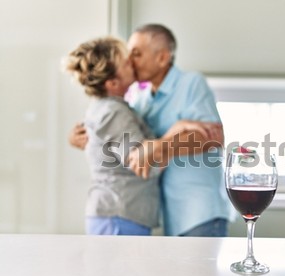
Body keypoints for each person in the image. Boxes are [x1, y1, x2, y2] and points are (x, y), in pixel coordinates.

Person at [70, 24, 233, 237]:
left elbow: (212, 137)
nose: (130, 61)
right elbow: (125, 142)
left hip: (197, 210)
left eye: (136, 54)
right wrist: (79, 137)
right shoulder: (140, 100)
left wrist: (159, 147)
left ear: (162, 58)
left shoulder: (191, 84)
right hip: (162, 213)